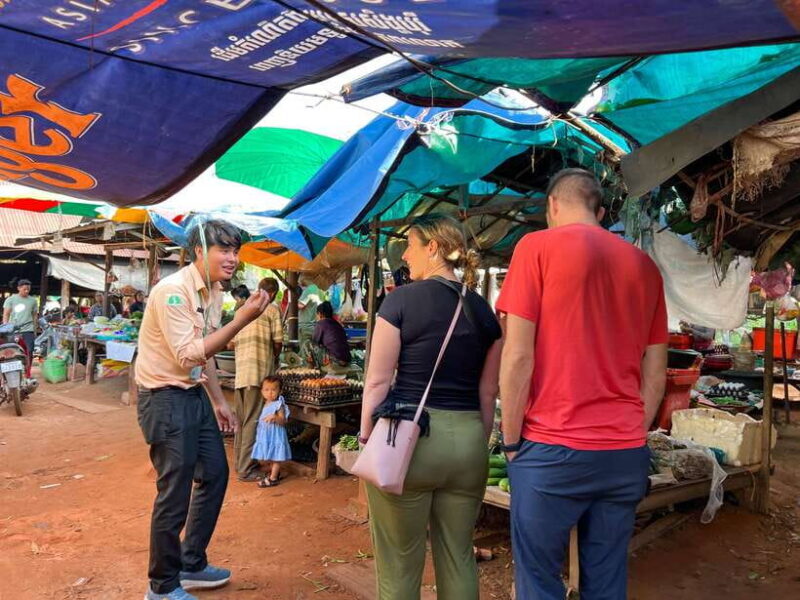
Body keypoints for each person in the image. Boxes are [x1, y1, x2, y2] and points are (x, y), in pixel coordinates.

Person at [496, 169, 668, 600]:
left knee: (538, 579)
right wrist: (632, 430)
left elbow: (517, 356)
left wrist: (511, 440)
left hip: (552, 450)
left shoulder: (536, 247)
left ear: (552, 205)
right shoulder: (644, 266)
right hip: (624, 452)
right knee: (607, 579)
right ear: (602, 211)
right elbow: (656, 372)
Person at [360, 214, 502, 600]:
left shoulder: (400, 300)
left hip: (410, 440)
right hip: (469, 442)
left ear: (433, 248)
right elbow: (488, 393)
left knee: (399, 564)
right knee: (458, 556)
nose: (405, 254)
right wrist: (476, 440)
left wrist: (365, 437)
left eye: (410, 244)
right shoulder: (484, 312)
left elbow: (376, 381)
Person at [135, 220, 271, 600]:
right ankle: (161, 588)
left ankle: (191, 563)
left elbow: (204, 351)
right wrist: (241, 321)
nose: (232, 258)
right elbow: (189, 353)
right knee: (173, 493)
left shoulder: (212, 291)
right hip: (163, 398)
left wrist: (218, 401)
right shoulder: (173, 292)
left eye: (235, 250)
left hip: (192, 395)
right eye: (223, 250)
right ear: (199, 251)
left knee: (215, 473)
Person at [230, 277, 283, 482]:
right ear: (273, 293)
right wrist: (275, 355)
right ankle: (246, 468)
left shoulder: (241, 310)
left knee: (243, 421)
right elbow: (278, 341)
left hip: (241, 374)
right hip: (258, 373)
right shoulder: (270, 309)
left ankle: (240, 463)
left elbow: (231, 343)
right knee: (253, 421)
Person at [251, 375, 291, 488]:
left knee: (276, 457)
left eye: (274, 389)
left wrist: (275, 417)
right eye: (266, 390)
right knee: (269, 455)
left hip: (276, 435)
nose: (270, 393)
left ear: (280, 391)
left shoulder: (279, 405)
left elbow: (283, 421)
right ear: (262, 391)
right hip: (266, 435)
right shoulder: (266, 403)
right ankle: (275, 473)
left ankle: (273, 478)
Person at [312, 301, 351, 373]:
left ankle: (314, 372)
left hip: (336, 360)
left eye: (316, 315)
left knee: (309, 346)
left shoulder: (321, 323)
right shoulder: (337, 324)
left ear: (320, 314)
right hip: (347, 359)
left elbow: (314, 342)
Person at [3, 278, 38, 358]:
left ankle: (27, 369)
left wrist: (35, 330)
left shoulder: (33, 301)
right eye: (24, 289)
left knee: (29, 350)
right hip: (13, 330)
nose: (26, 291)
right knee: (14, 351)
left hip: (28, 330)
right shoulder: (11, 299)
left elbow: (34, 316)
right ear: (18, 288)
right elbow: (6, 314)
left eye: (28, 289)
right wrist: (6, 329)